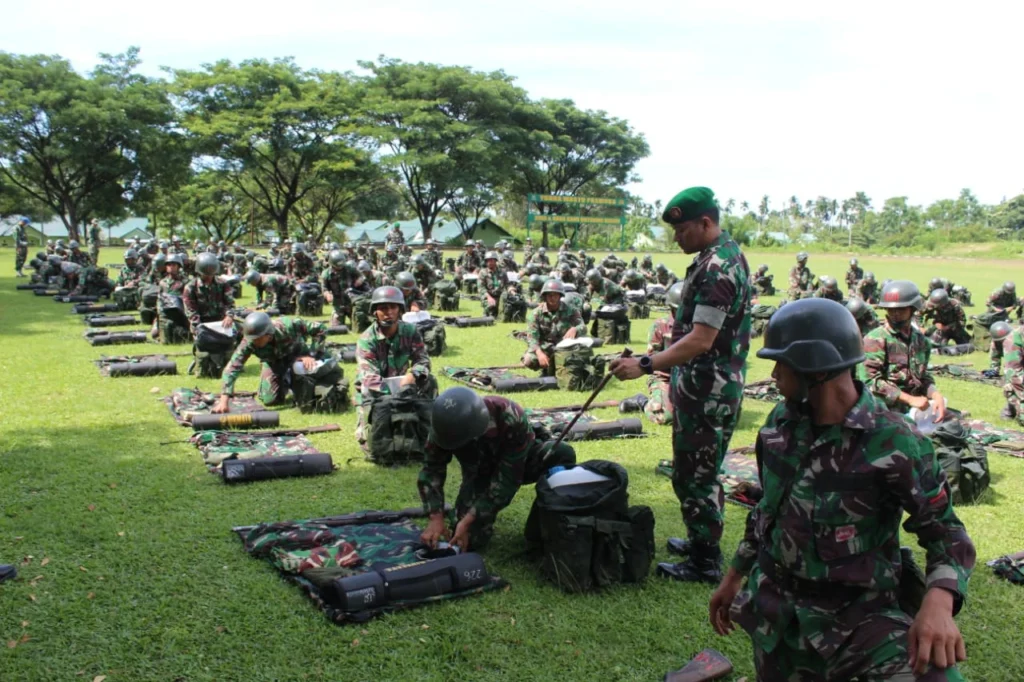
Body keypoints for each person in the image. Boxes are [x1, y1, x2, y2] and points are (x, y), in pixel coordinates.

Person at [710, 297, 975, 682]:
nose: (773, 374)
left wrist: (938, 602)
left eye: (780, 363)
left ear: (813, 368)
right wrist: (734, 575)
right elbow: (768, 510)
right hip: (781, 618)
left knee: (936, 677)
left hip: (863, 621)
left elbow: (947, 533)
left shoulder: (895, 441)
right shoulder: (779, 425)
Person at [610, 186, 751, 583]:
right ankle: (700, 541)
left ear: (706, 223)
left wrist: (645, 363)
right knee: (698, 470)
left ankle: (705, 561)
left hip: (708, 388)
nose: (676, 238)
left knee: (695, 476)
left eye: (682, 230)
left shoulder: (718, 267)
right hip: (706, 385)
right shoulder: (718, 257)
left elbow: (701, 339)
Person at [418, 387, 577, 552]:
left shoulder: (510, 416)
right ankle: (460, 514)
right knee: (470, 540)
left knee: (561, 454)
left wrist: (469, 519)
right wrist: (435, 517)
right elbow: (431, 470)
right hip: (479, 473)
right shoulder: (443, 425)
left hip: (518, 464)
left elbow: (508, 480)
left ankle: (544, 529)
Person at [353, 286, 434, 447]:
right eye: (383, 308)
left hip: (404, 383)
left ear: (400, 310)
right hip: (375, 390)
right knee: (370, 440)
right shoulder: (367, 339)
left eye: (393, 307)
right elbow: (369, 376)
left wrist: (413, 376)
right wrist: (393, 393)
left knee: (430, 382)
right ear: (375, 311)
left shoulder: (410, 331)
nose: (388, 312)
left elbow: (423, 360)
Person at [862, 280, 945, 419]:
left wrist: (936, 395)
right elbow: (870, 382)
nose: (895, 313)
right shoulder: (875, 339)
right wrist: (910, 399)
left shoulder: (921, 341)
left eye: (901, 309)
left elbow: (923, 376)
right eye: (890, 309)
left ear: (912, 308)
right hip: (882, 409)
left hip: (915, 409)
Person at [212, 312, 329, 410]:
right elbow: (233, 367)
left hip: (299, 359)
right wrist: (224, 400)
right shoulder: (249, 341)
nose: (254, 342)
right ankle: (285, 382)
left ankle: (296, 381)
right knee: (270, 400)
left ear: (268, 335)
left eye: (258, 339)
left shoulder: (288, 325)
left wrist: (311, 355)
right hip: (274, 363)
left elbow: (321, 329)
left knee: (305, 400)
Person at [621, 281, 685, 424]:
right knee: (664, 416)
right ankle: (642, 402)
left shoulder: (699, 326)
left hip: (693, 378)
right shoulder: (660, 326)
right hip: (665, 376)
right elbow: (651, 360)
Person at [521, 279, 586, 374]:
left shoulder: (570, 310)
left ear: (560, 296)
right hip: (545, 347)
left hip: (565, 347)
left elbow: (583, 326)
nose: (552, 298)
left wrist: (575, 329)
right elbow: (532, 338)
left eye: (555, 295)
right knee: (528, 360)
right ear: (545, 296)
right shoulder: (535, 314)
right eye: (549, 295)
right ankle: (547, 367)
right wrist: (539, 354)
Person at [182, 253, 235, 338]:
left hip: (221, 321)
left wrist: (229, 316)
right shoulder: (190, 287)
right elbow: (191, 311)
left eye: (211, 273)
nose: (209, 277)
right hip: (201, 323)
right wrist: (199, 326)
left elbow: (230, 304)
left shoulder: (223, 284)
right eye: (206, 274)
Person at [480, 251, 508, 318]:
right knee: (491, 309)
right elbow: (481, 288)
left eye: (491, 260)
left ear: (495, 261)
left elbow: (508, 284)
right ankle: (488, 312)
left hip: (500, 296)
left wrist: (511, 290)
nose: (489, 262)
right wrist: (489, 298)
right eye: (488, 261)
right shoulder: (483, 272)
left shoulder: (502, 272)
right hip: (488, 296)